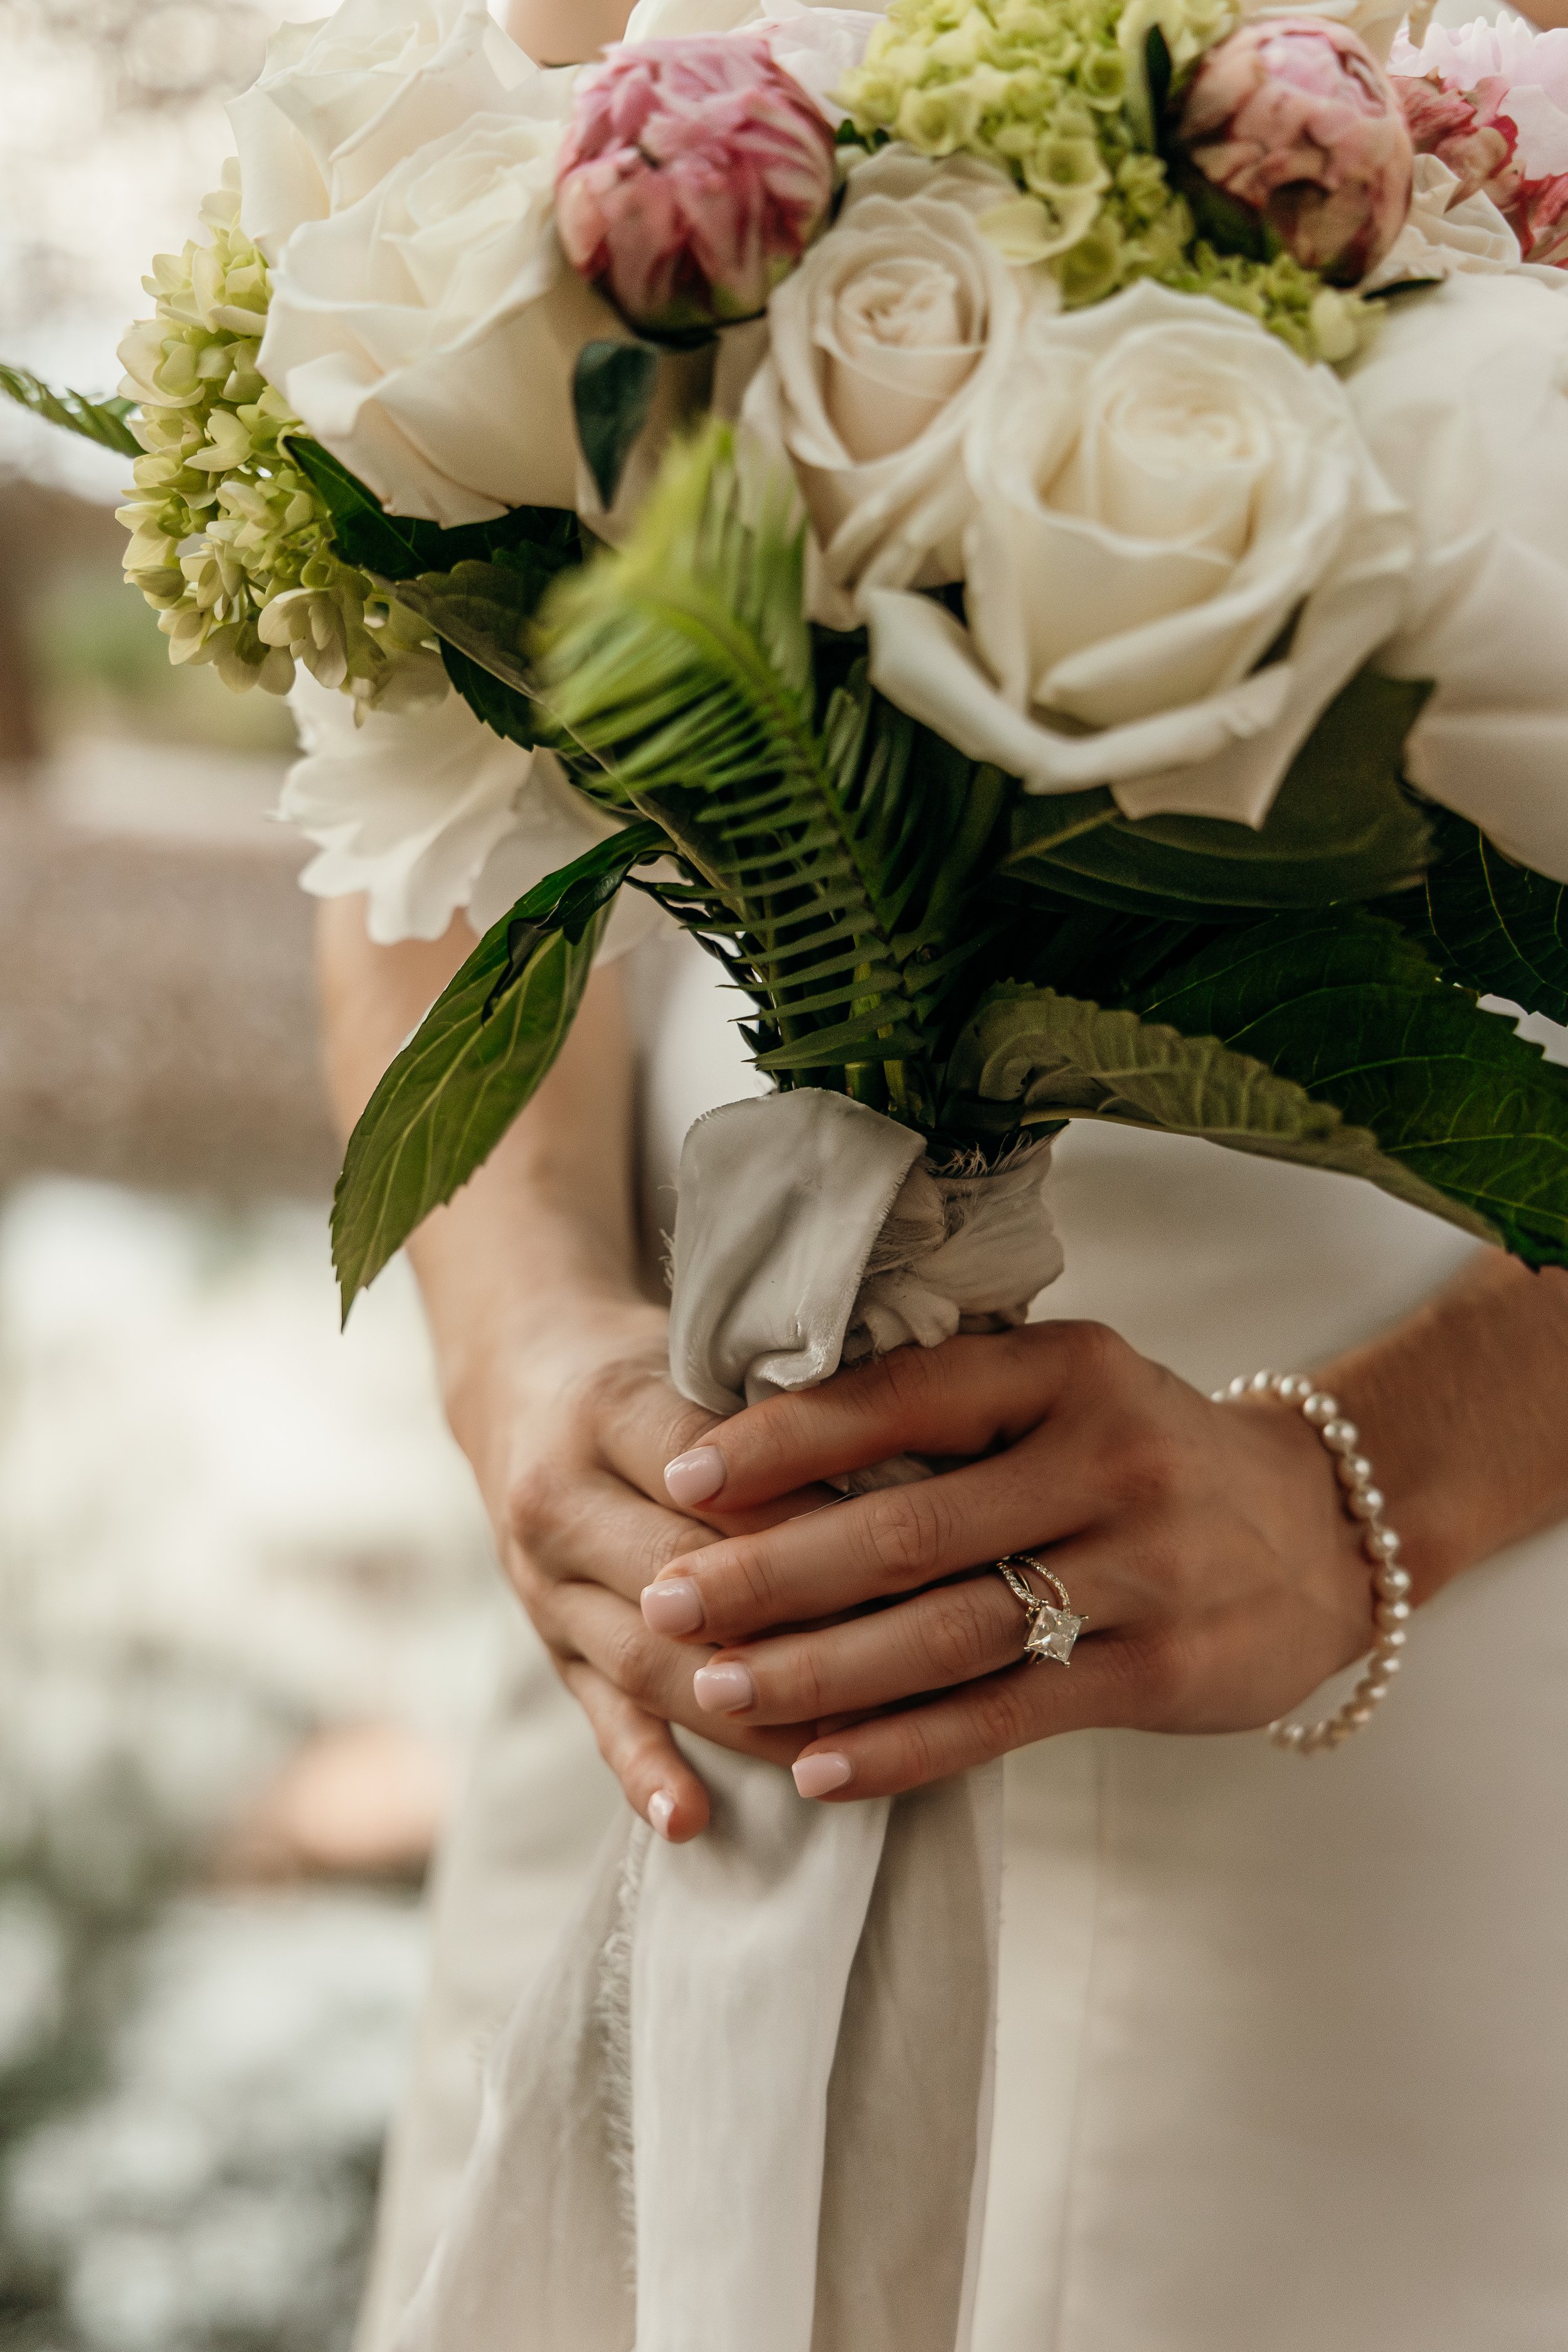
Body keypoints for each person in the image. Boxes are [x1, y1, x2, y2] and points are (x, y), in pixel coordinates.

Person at [319, 6, 1568, 2346]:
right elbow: (424, 675)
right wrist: (524, 1351)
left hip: (1466, 1606)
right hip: (718, 1550)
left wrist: (1369, 1487)